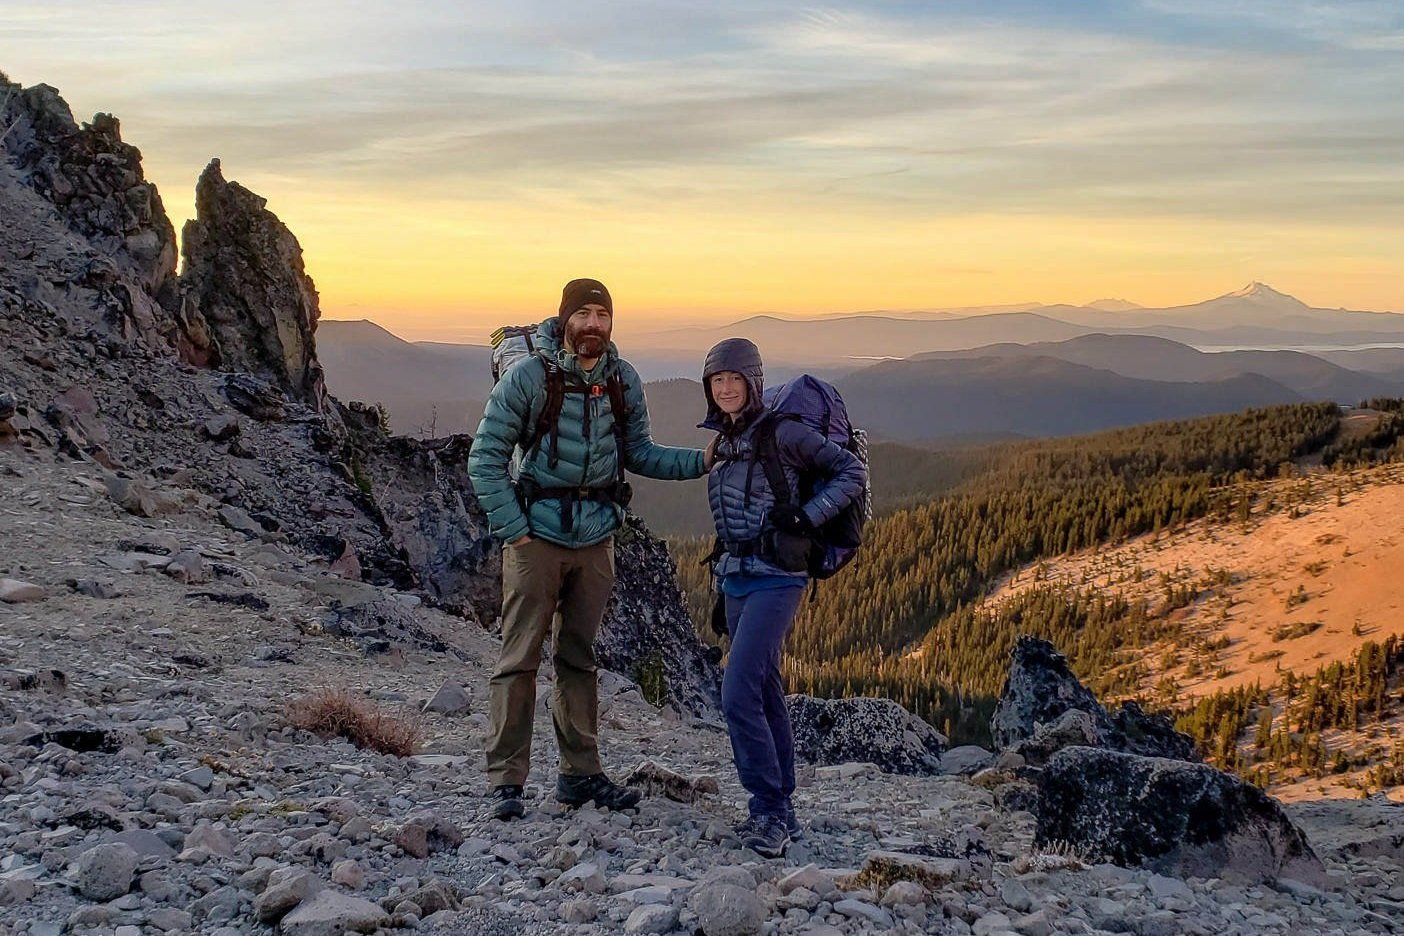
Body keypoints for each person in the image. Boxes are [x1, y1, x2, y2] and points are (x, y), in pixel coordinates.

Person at [468, 278, 712, 821]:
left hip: (595, 541)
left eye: (603, 315)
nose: (594, 324)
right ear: (564, 319)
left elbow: (641, 453)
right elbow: (484, 457)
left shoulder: (622, 381)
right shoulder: (531, 378)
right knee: (519, 658)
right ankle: (506, 780)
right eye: (585, 314)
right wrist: (515, 530)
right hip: (536, 541)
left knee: (580, 658)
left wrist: (703, 461)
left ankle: (580, 776)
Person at [701, 337, 866, 858]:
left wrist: (808, 515)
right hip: (737, 575)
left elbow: (851, 472)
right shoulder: (724, 441)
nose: (726, 388)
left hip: (779, 575)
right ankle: (783, 809)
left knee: (736, 693)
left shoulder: (784, 433)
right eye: (717, 380)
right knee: (766, 688)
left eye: (735, 378)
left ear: (754, 381)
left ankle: (767, 810)